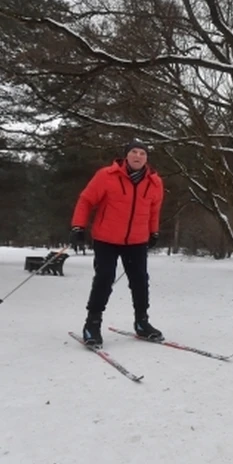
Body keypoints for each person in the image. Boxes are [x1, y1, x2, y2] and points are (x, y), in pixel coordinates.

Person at [71, 140, 165, 348]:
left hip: (137, 240)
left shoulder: (155, 182)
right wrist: (78, 226)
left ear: (146, 158)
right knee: (105, 277)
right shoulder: (106, 176)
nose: (138, 156)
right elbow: (86, 200)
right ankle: (92, 324)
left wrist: (153, 231)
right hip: (106, 238)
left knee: (140, 281)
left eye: (142, 153)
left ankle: (142, 322)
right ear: (126, 155)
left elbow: (154, 210)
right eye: (133, 152)